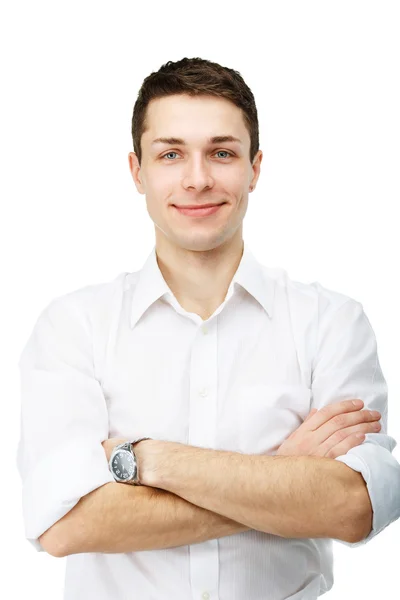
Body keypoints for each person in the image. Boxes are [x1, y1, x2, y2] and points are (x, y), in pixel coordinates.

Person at [17, 57, 400, 600]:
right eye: (171, 154)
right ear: (137, 171)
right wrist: (283, 476)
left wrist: (148, 458)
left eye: (222, 153)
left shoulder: (331, 322)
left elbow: (353, 506)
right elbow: (66, 525)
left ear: (255, 168)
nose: (197, 179)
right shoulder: (74, 325)